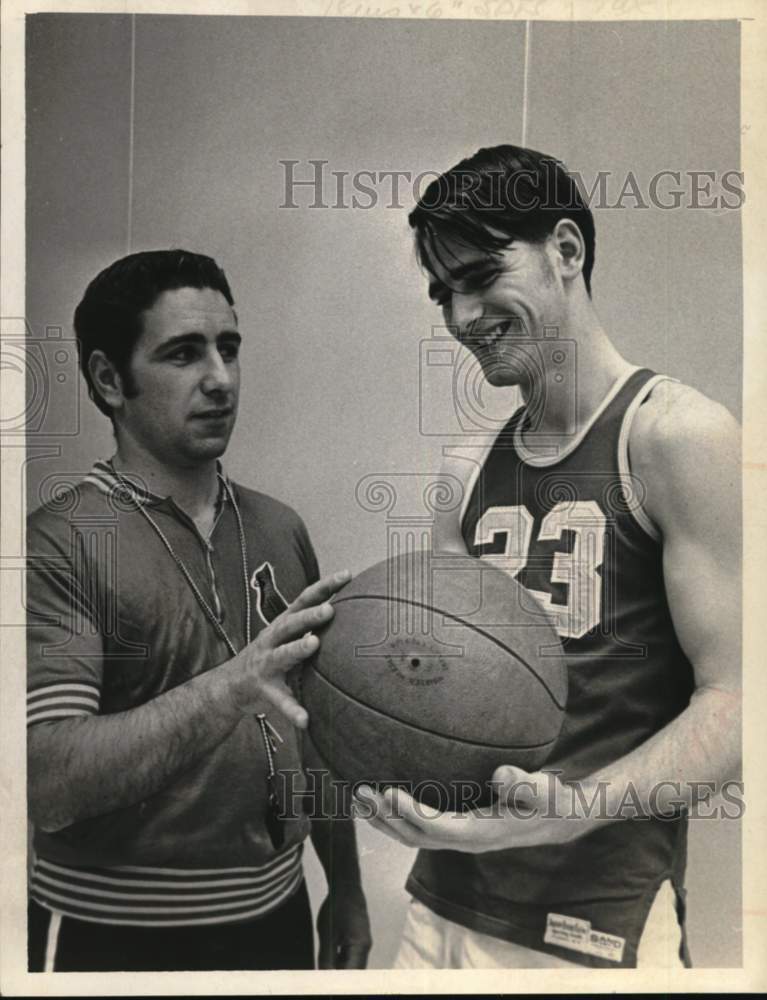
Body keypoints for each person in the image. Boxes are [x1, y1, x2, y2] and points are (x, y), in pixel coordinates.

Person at [355, 145, 741, 969]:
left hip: (588, 930)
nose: (461, 317)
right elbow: (439, 703)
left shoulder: (673, 435)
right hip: (440, 908)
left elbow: (738, 703)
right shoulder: (464, 472)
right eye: (443, 292)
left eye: (481, 276)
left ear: (565, 250)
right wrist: (345, 697)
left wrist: (559, 811)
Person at [26, 249, 371, 972]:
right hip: (111, 933)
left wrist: (345, 886)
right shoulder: (58, 544)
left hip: (274, 916)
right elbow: (49, 784)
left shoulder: (279, 527)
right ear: (108, 380)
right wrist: (231, 687)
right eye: (184, 354)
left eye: (229, 348)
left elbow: (314, 733)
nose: (220, 379)